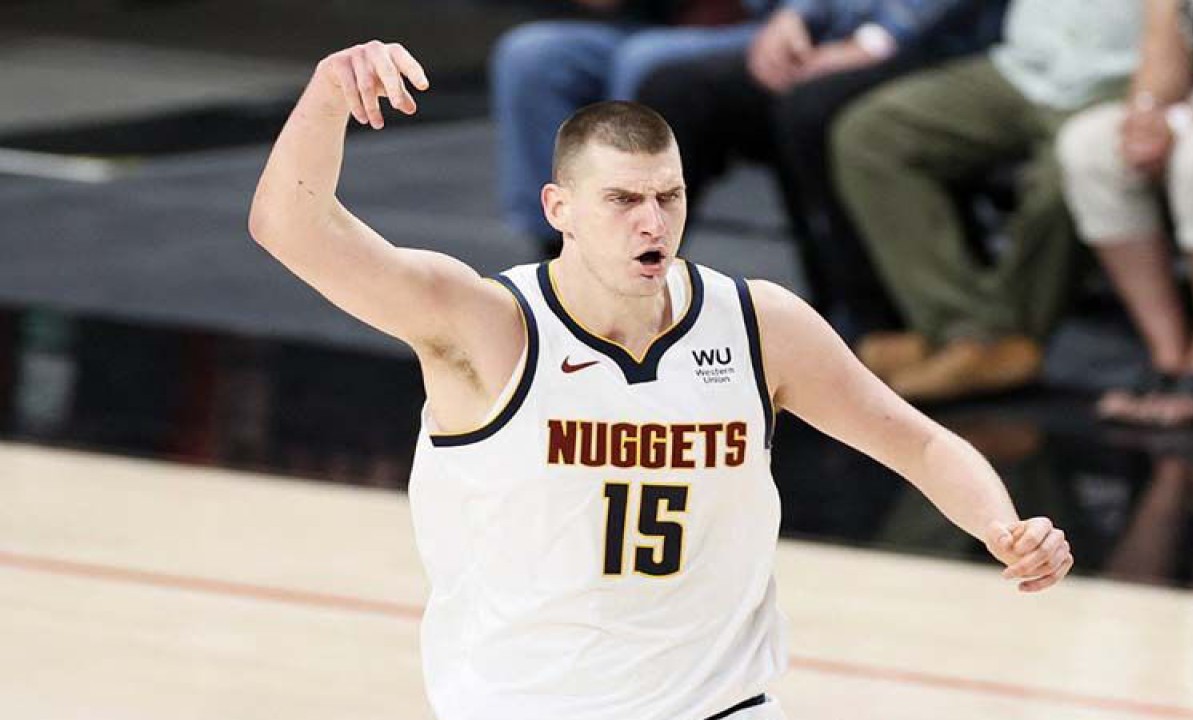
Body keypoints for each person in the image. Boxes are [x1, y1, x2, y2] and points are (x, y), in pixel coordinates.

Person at [248, 40, 1074, 720]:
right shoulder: (485, 327)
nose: (653, 221)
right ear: (559, 208)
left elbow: (918, 441)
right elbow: (291, 226)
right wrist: (327, 95)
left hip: (719, 707)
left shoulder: (758, 325)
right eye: (622, 200)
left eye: (668, 196)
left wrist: (1003, 525)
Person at [828, 0, 1143, 402]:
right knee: (871, 134)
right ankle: (963, 330)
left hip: (1124, 76)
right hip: (1026, 66)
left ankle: (987, 343)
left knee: (1071, 172)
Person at [636, 0, 1007, 320]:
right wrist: (795, 15)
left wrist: (875, 40)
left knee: (810, 110)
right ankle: (632, 290)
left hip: (942, 47)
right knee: (677, 91)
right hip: (839, 36)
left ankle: (861, 318)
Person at [1055, 0, 1193, 426]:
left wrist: (1191, 119)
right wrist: (1146, 116)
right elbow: (1163, 53)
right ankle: (1170, 358)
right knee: (1091, 146)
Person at [491, 0, 777, 256]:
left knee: (642, 62)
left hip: (768, 25)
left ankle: (630, 241)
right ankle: (560, 247)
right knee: (531, 55)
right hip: (654, 23)